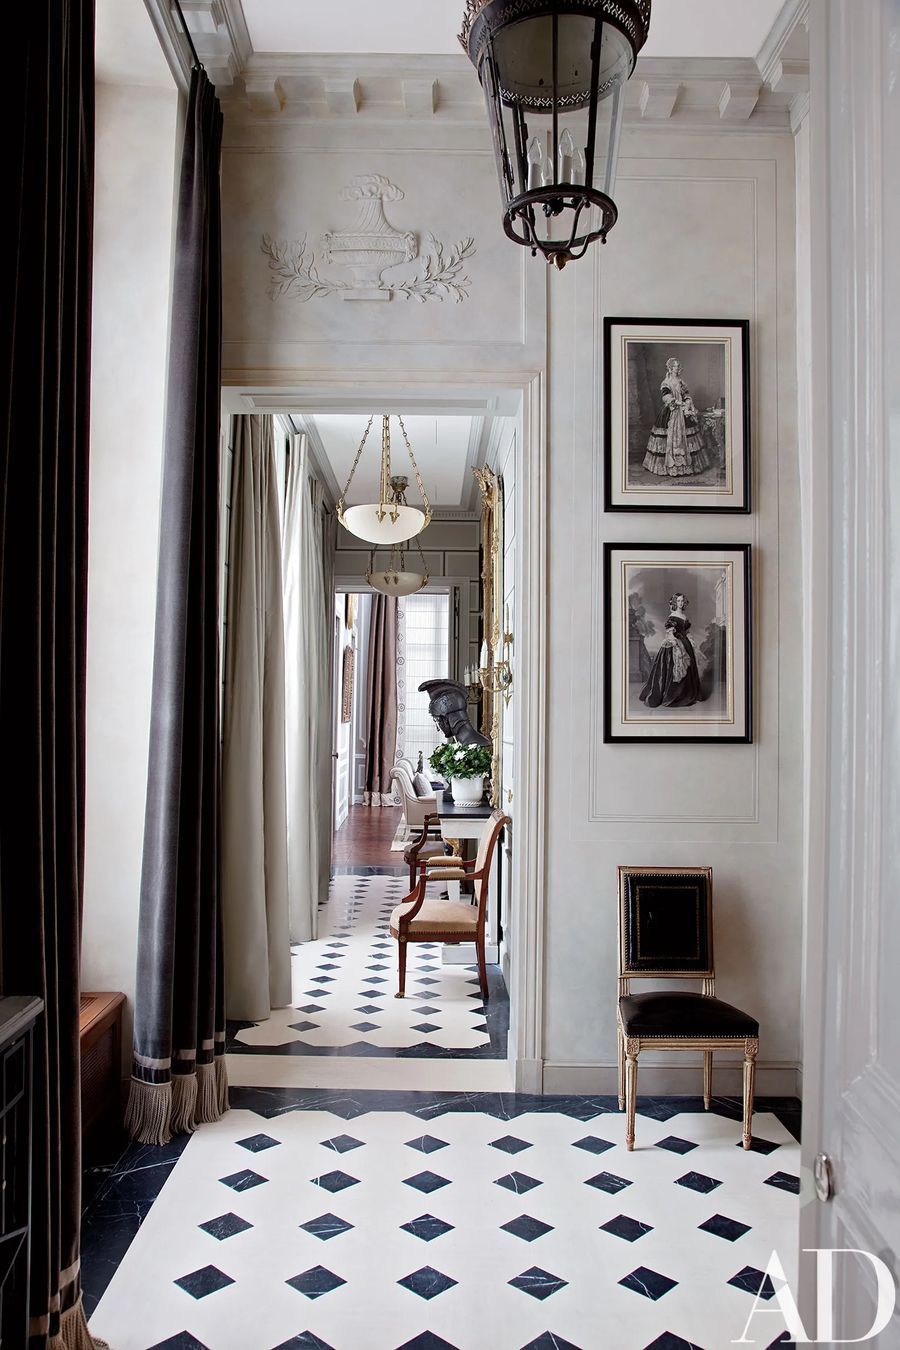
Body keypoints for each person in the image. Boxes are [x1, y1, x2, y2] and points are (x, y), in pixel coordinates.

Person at [643, 357, 710, 478]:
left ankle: (686, 467)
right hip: (672, 411)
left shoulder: (681, 382)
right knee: (668, 437)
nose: (678, 368)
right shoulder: (666, 382)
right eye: (676, 366)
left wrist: (688, 401)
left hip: (683, 411)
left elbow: (686, 394)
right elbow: (666, 396)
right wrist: (678, 403)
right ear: (670, 368)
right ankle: (671, 466)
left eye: (679, 366)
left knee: (688, 435)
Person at [639, 594, 703, 708]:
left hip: (685, 643)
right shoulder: (672, 616)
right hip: (675, 642)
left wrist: (690, 640)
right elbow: (670, 632)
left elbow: (687, 631)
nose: (681, 603)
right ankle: (673, 695)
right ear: (674, 603)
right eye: (678, 601)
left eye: (682, 601)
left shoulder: (684, 616)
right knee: (672, 667)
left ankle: (687, 693)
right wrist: (674, 641)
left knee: (689, 668)